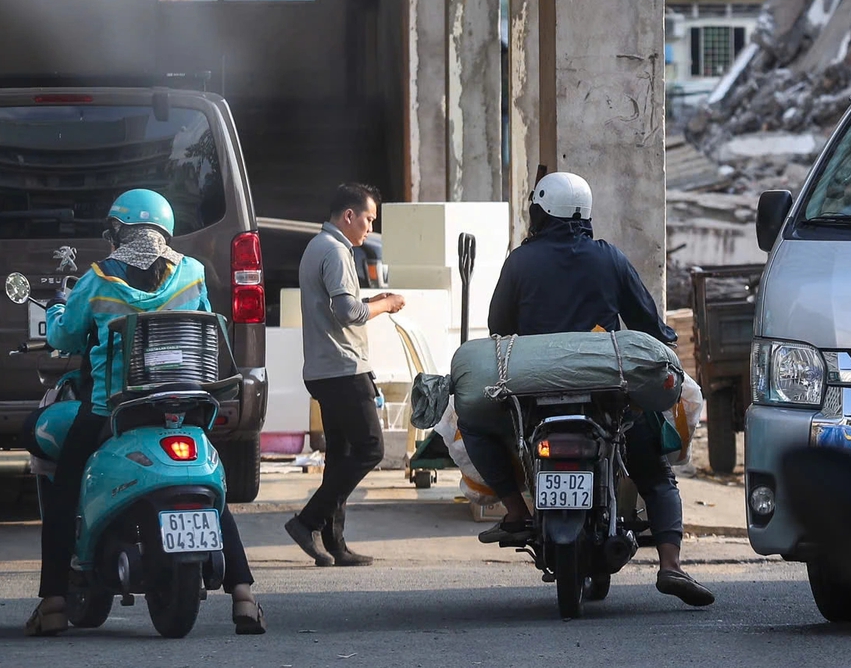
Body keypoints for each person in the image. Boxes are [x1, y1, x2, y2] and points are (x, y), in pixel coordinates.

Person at [463, 171, 715, 608]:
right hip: (607, 396)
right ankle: (671, 565)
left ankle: (517, 512)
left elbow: (498, 328)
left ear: (540, 214)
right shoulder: (609, 258)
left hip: (533, 394)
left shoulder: (519, 262)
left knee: (474, 424)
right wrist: (664, 339)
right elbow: (647, 323)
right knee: (654, 469)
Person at [25, 189, 265, 637]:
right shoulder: (192, 273)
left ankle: (55, 600)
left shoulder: (98, 280)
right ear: (164, 231)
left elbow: (66, 336)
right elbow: (207, 327)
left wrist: (59, 305)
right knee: (212, 492)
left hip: (113, 412)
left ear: (119, 232)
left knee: (63, 487)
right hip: (184, 408)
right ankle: (245, 597)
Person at [284, 182, 406, 567]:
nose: (370, 227)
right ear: (348, 216)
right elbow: (347, 312)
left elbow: (342, 304)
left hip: (327, 368)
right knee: (371, 448)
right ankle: (308, 522)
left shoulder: (319, 247)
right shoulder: (335, 251)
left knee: (342, 454)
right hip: (342, 368)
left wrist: (371, 301)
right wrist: (385, 304)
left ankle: (334, 542)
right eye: (368, 219)